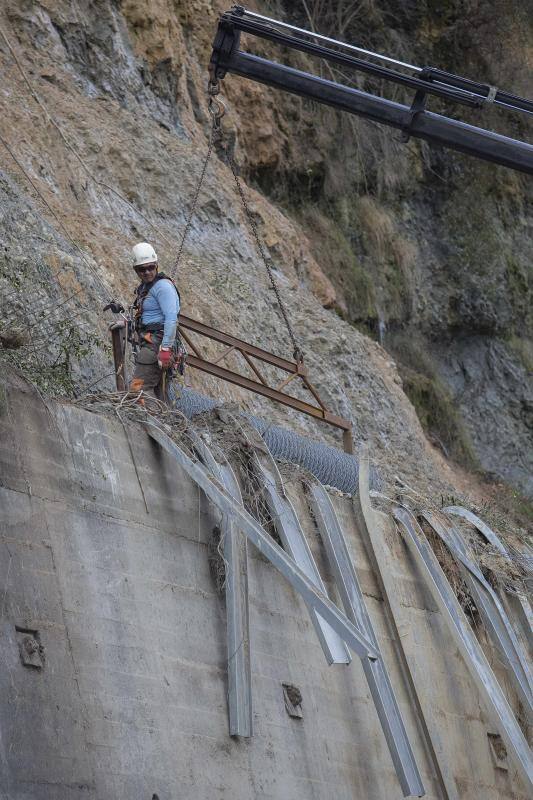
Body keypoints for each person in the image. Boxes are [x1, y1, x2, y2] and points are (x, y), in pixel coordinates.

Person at [129, 242, 180, 401]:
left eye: (150, 267)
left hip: (156, 342)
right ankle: (165, 424)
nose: (147, 272)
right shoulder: (146, 287)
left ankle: (152, 424)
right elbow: (145, 315)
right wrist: (126, 324)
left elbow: (171, 318)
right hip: (151, 340)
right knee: (158, 392)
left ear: (156, 265)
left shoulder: (163, 287)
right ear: (136, 270)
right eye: (141, 269)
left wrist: (165, 349)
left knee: (138, 389)